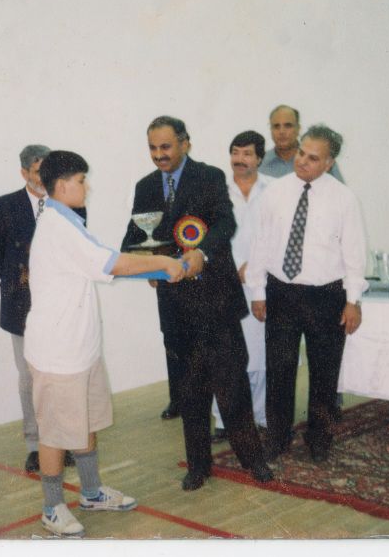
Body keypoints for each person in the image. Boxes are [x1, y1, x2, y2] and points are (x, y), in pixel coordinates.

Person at [26, 150, 185, 537]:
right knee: (56, 433)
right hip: (58, 353)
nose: (87, 186)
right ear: (63, 186)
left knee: (88, 421)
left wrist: (153, 266)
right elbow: (112, 263)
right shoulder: (57, 226)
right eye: (82, 180)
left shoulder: (67, 219)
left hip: (81, 348)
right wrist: (164, 263)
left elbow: (103, 265)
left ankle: (92, 492)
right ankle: (51, 508)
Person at [121, 116, 273, 490]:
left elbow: (225, 225)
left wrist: (201, 253)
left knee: (233, 389)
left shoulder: (208, 176)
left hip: (216, 304)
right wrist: (150, 264)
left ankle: (253, 460)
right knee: (190, 394)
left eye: (166, 147)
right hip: (175, 309)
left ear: (185, 143)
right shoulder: (144, 187)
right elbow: (133, 237)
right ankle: (198, 466)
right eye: (153, 148)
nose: (159, 155)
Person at [247, 124, 367, 463]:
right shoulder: (275, 192)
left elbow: (355, 253)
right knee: (279, 370)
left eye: (313, 158)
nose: (302, 161)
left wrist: (352, 300)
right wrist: (258, 290)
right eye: (301, 153)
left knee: (324, 373)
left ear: (329, 163)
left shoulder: (344, 198)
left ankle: (319, 438)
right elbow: (261, 242)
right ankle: (278, 438)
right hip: (281, 292)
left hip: (326, 295)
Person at [0, 144, 78, 472]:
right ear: (24, 173)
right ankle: (35, 445)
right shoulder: (3, 207)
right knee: (29, 378)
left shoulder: (67, 204)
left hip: (61, 307)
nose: (45, 177)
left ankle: (63, 441)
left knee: (61, 376)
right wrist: (22, 284)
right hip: (20, 307)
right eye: (39, 171)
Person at [211, 130, 272, 442]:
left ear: (260, 158)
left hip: (262, 284)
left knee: (259, 355)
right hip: (224, 283)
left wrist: (257, 266)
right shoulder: (216, 190)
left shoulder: (274, 189)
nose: (240, 159)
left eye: (247, 153)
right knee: (224, 354)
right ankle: (224, 420)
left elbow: (285, 235)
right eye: (235, 152)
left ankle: (259, 417)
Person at [261, 104, 344, 182]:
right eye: (276, 126)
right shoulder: (259, 164)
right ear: (271, 130)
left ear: (298, 128)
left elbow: (340, 194)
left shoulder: (320, 161)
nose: (282, 131)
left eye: (288, 126)